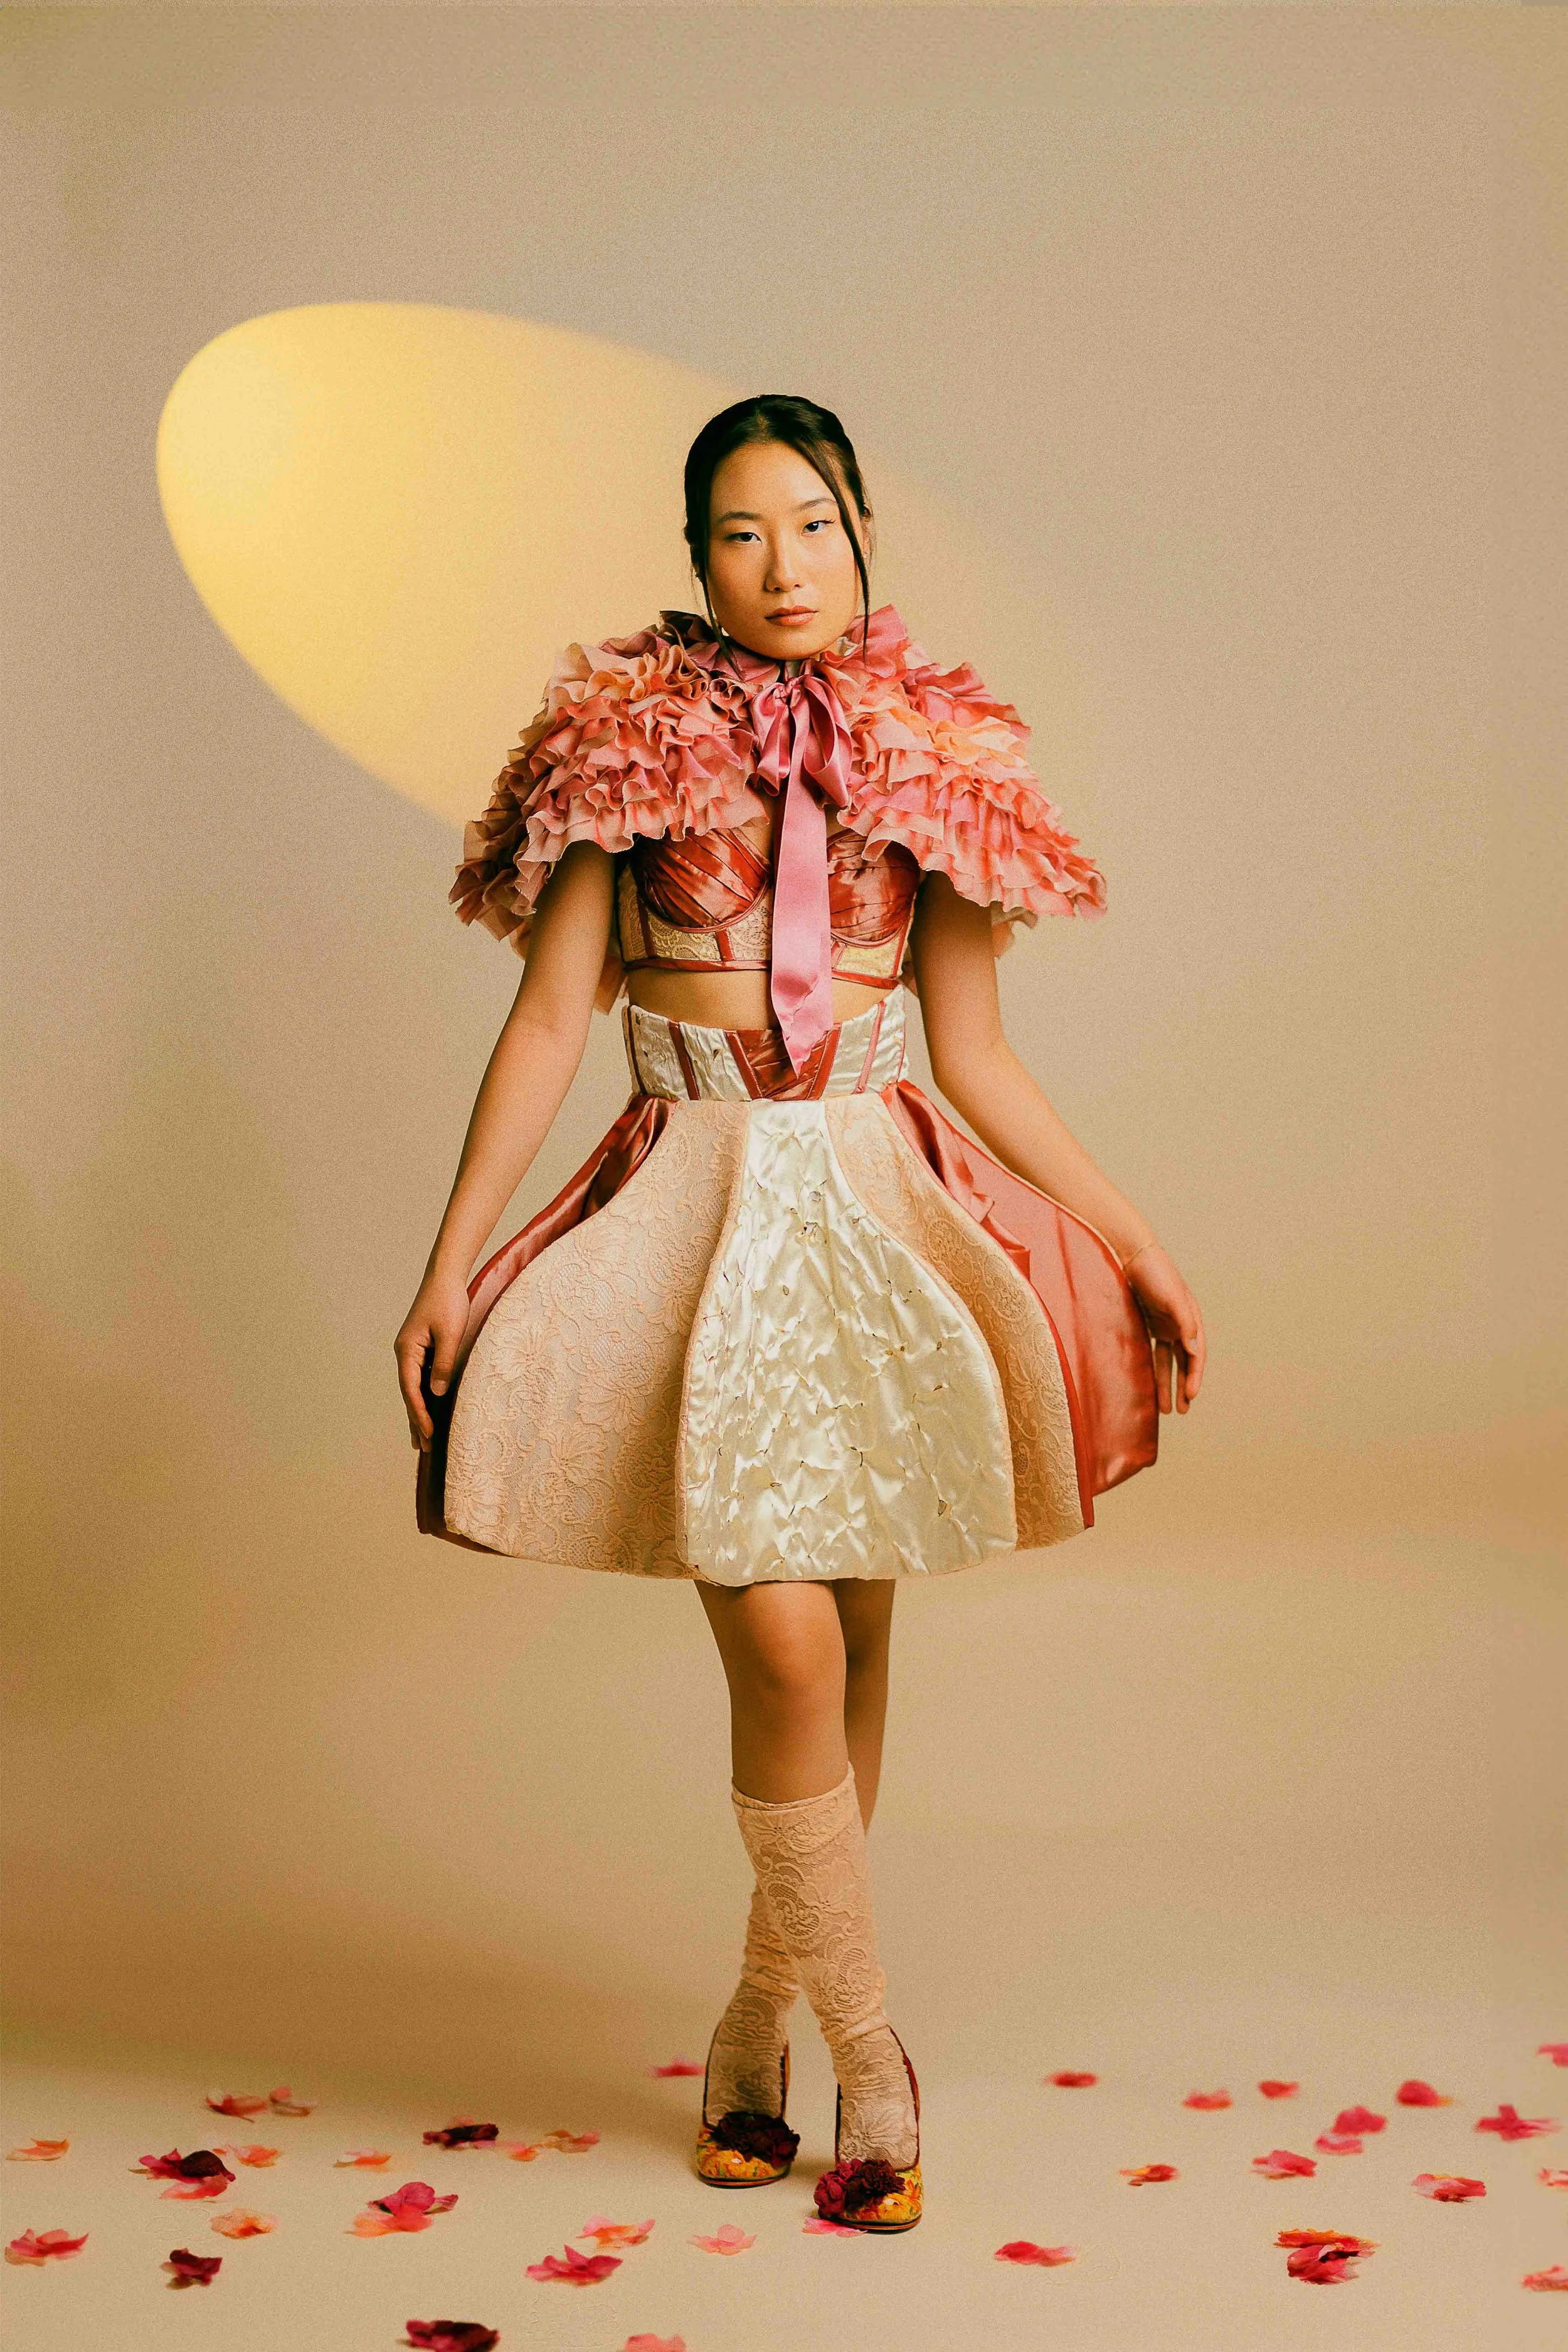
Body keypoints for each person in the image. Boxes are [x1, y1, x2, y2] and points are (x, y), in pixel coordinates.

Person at [394, 393, 1205, 2233]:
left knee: (848, 1625)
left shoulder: (941, 756)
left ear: (862, 538)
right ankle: (869, 2048)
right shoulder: (616, 744)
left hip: (874, 1207)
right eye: (742, 533)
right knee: (785, 1649)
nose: (785, 566)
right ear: (695, 563)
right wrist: (453, 1256)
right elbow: (545, 1022)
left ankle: (752, 2021)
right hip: (692, 1202)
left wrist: (1126, 1232)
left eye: (816, 525)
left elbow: (978, 1049)